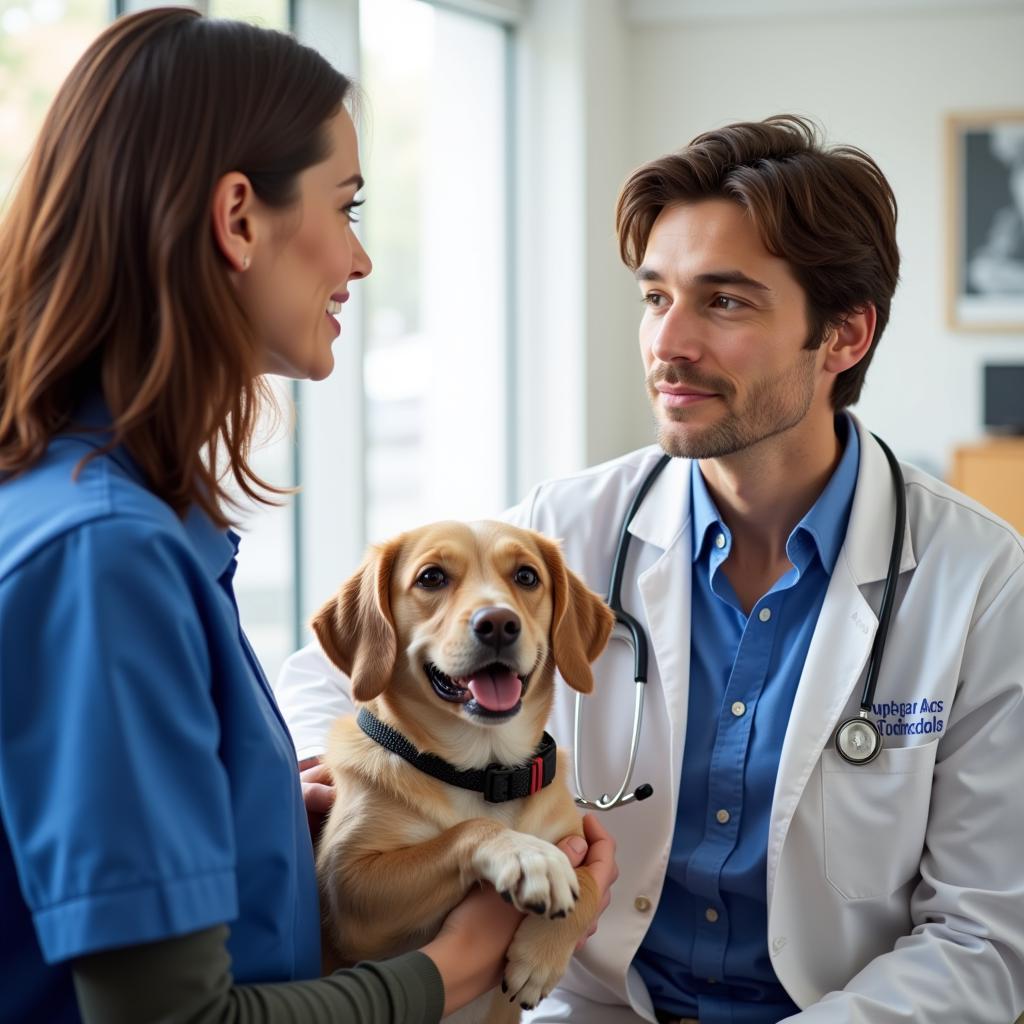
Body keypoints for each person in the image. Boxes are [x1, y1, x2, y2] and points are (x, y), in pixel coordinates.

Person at [276, 115, 1024, 1023]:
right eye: (656, 297)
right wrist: (360, 791)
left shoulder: (981, 583)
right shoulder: (561, 532)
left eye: (726, 302)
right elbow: (331, 673)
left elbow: (983, 942)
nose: (670, 344)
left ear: (845, 336)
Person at [0, 9, 615, 1023]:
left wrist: (254, 822)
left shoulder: (86, 506)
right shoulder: (105, 556)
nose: (362, 261)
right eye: (348, 205)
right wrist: (464, 962)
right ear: (238, 218)